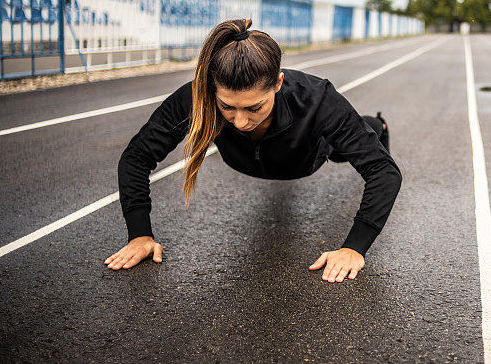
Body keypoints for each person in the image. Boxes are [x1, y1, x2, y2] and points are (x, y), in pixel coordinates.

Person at [104, 18, 401, 283]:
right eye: (227, 108)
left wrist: (353, 248)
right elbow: (137, 156)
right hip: (245, 160)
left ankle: (376, 126)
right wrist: (139, 235)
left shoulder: (317, 99)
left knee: (344, 149)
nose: (241, 121)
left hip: (307, 155)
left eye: (254, 107)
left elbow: (384, 171)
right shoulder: (197, 96)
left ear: (278, 83)